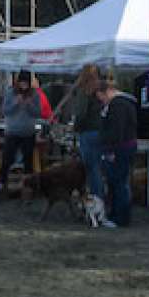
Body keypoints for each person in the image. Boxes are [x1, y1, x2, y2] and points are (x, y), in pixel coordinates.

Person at [97, 77, 138, 228]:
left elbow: (116, 131)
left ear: (107, 91)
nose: (100, 100)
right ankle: (116, 215)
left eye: (100, 96)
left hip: (120, 148)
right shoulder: (125, 103)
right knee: (118, 183)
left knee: (119, 183)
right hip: (124, 146)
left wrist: (110, 150)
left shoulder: (118, 105)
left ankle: (120, 218)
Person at [0, 71, 44, 198]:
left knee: (28, 162)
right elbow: (4, 110)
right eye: (21, 83)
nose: (24, 86)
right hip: (12, 132)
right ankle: (0, 186)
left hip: (28, 132)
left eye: (26, 83)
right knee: (7, 160)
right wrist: (15, 103)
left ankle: (29, 189)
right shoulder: (10, 93)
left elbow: (38, 112)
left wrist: (29, 105)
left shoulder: (35, 95)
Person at [64, 64, 106, 197]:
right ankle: (99, 195)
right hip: (100, 131)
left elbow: (81, 113)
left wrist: (75, 127)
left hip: (87, 131)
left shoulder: (84, 91)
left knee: (90, 168)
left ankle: (95, 197)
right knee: (97, 167)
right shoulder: (101, 89)